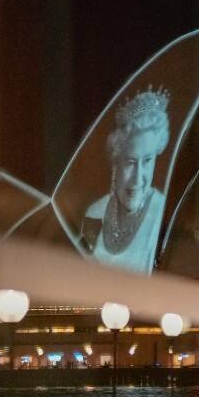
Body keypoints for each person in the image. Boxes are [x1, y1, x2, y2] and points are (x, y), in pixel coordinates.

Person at [80, 88, 172, 273]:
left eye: (147, 161)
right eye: (130, 162)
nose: (138, 177)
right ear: (116, 162)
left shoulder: (164, 214)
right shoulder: (95, 213)